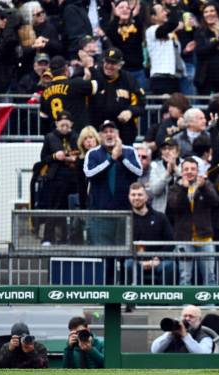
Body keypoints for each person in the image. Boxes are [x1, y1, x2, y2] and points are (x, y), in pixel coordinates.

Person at [84, 120, 142, 254]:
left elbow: (138, 172)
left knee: (124, 253)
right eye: (105, 132)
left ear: (118, 134)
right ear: (100, 136)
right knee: (103, 254)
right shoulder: (92, 153)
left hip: (125, 213)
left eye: (112, 131)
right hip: (100, 214)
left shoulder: (129, 151)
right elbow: (90, 173)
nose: (109, 135)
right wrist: (111, 160)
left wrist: (121, 157)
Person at [167, 158, 219, 285]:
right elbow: (174, 206)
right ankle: (186, 304)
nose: (189, 172)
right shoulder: (175, 187)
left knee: (210, 275)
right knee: (185, 276)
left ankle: (210, 305)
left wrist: (203, 188)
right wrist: (183, 189)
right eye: (186, 169)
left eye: (193, 169)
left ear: (198, 171)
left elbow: (215, 202)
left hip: (205, 238)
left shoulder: (206, 185)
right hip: (184, 239)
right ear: (181, 171)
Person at [91, 47, 146, 146]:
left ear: (120, 65)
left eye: (113, 63)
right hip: (98, 129)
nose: (109, 66)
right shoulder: (95, 76)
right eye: (107, 62)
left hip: (123, 132)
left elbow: (141, 103)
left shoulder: (129, 79)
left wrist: (130, 111)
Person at [39, 110, 79, 245]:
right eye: (62, 125)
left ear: (72, 124)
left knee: (71, 209)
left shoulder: (76, 137)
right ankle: (48, 238)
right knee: (53, 208)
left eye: (67, 125)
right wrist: (55, 156)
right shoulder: (50, 137)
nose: (64, 128)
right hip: (55, 178)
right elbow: (43, 159)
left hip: (73, 178)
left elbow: (80, 154)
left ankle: (69, 238)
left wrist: (74, 158)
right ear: (56, 124)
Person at [126, 182, 175, 285]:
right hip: (135, 260)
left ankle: (164, 301)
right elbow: (121, 244)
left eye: (140, 194)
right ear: (129, 197)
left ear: (146, 197)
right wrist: (139, 261)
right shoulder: (126, 219)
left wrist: (158, 258)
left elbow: (170, 242)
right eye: (133, 195)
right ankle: (134, 300)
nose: (136, 198)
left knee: (169, 265)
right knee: (129, 264)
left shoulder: (160, 217)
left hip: (158, 261)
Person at [40, 55, 98, 132]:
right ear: (66, 69)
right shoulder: (75, 83)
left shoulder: (45, 91)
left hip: (57, 136)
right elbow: (98, 84)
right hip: (77, 134)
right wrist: (90, 66)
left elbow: (44, 118)